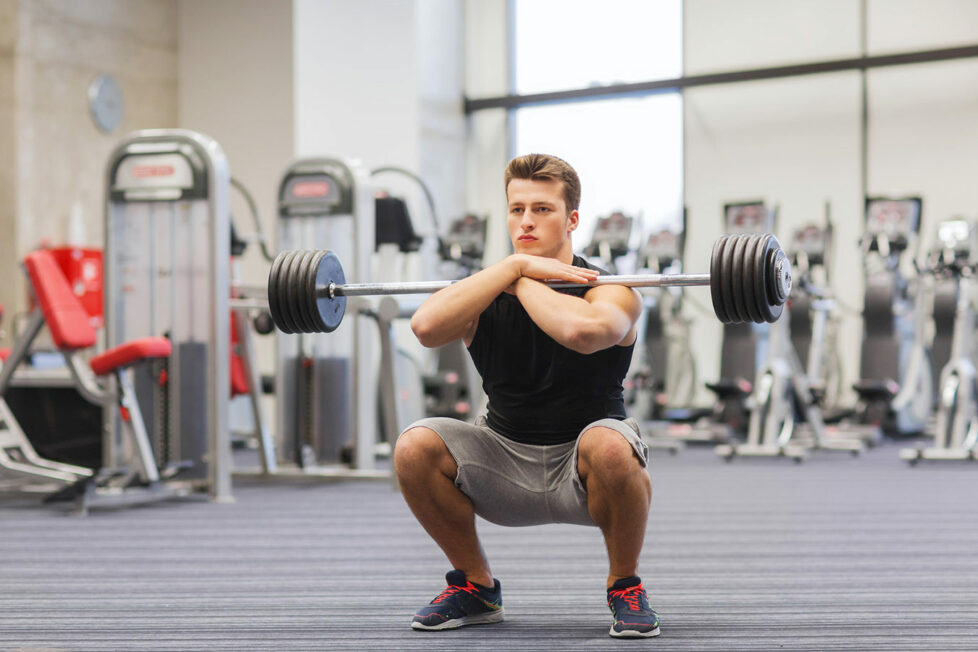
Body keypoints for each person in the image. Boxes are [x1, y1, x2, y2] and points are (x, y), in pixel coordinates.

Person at [394, 153, 658, 638]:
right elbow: (425, 327)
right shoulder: (489, 288)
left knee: (611, 443)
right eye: (517, 210)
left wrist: (518, 276)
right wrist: (515, 267)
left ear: (572, 218)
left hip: (585, 468)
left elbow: (581, 332)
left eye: (542, 209)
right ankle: (476, 587)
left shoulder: (613, 290)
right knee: (414, 445)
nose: (526, 221)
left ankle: (625, 585)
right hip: (502, 459)